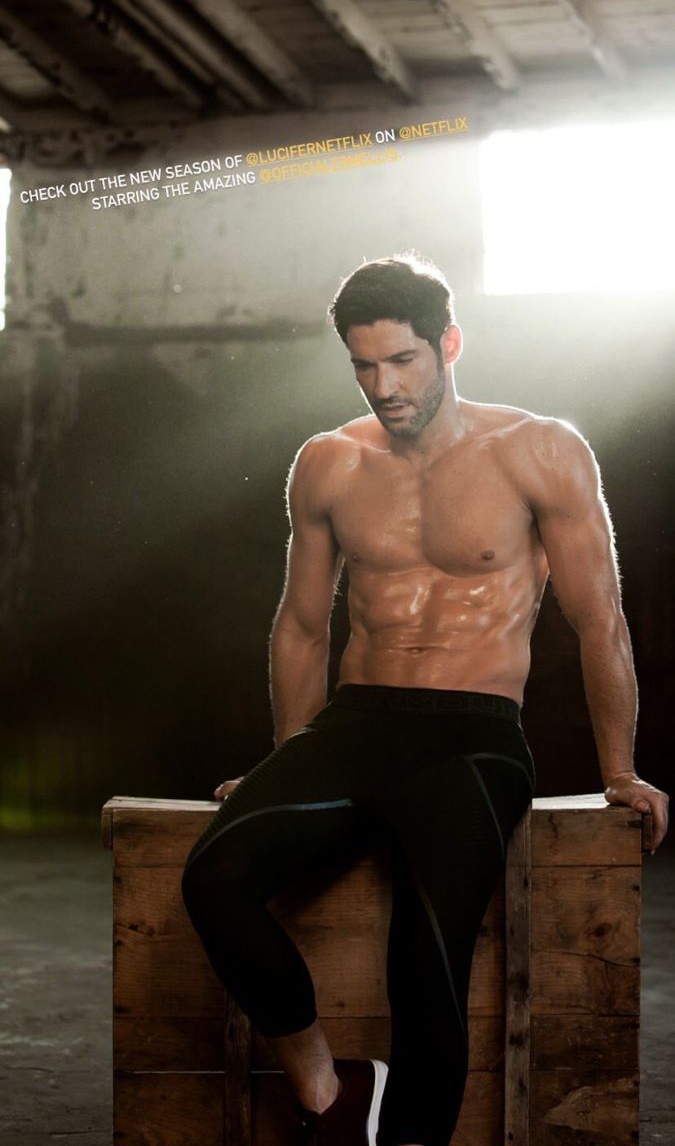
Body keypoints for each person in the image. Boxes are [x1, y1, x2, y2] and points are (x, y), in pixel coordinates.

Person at [181, 253, 669, 1146]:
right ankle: (330, 1092)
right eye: (364, 366)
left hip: (472, 738)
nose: (384, 386)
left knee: (427, 959)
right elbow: (300, 628)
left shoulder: (538, 451)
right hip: (357, 720)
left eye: (401, 360)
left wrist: (619, 771)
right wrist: (288, 752)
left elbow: (600, 622)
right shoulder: (328, 463)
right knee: (213, 878)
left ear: (447, 344)